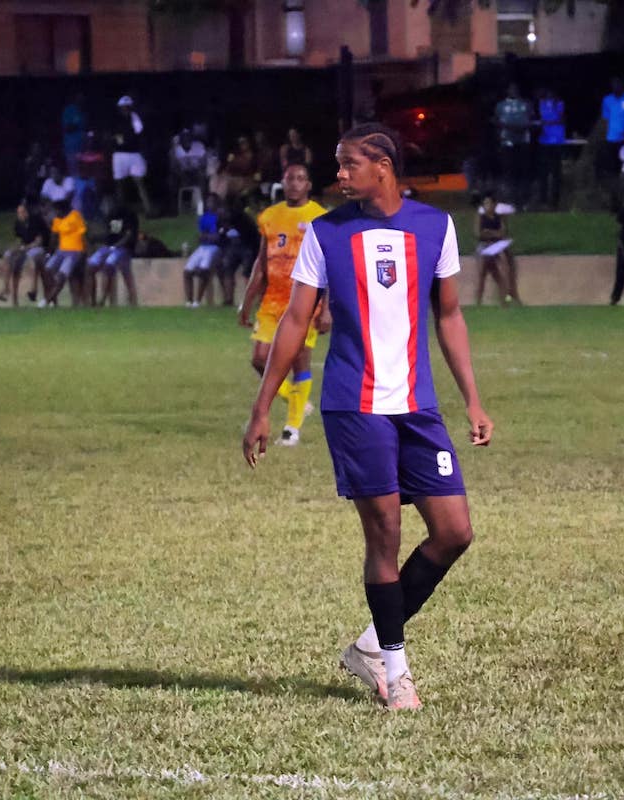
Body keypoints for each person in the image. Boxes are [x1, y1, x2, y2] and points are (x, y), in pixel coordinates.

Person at [242, 123, 494, 712]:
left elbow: (450, 317)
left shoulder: (436, 227)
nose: (339, 176)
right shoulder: (325, 234)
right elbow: (295, 322)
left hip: (417, 406)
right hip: (355, 406)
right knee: (385, 531)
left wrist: (473, 400)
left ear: (382, 165)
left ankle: (369, 647)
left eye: (348, 164)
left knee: (455, 531)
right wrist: (261, 407)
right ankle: (397, 673)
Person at [238, 163, 328, 446]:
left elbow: (329, 266)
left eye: (301, 179)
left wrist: (327, 308)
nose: (295, 184)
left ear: (309, 185)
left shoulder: (320, 218)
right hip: (273, 300)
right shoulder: (269, 216)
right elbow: (262, 263)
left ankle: (292, 428)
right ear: (283, 182)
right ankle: (295, 399)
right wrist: (246, 302)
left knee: (300, 359)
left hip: (306, 300)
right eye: (290, 179)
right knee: (259, 358)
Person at [0, 200, 48, 306]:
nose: (19, 215)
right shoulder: (18, 223)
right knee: (9, 256)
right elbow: (19, 239)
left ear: (26, 212)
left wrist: (25, 248)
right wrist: (15, 248)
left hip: (37, 247)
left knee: (32, 257)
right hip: (25, 247)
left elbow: (39, 241)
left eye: (21, 212)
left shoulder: (35, 221)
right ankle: (6, 288)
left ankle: (33, 289)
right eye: (18, 213)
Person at [88, 203, 140, 306]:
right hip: (109, 246)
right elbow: (110, 233)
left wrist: (114, 247)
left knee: (110, 264)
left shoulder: (130, 216)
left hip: (124, 248)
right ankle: (92, 301)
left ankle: (103, 299)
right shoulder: (111, 215)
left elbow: (128, 236)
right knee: (90, 265)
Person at [111, 96, 153, 217]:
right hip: (119, 155)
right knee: (120, 184)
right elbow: (115, 137)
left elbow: (138, 133)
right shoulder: (115, 120)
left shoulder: (135, 117)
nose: (125, 109)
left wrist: (126, 138)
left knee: (140, 182)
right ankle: (121, 213)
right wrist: (121, 139)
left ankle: (148, 210)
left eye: (128, 106)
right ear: (120, 108)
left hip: (134, 154)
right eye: (123, 107)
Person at [43, 198, 88, 307]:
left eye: (56, 210)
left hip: (75, 251)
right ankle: (54, 296)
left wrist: (84, 251)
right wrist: (49, 252)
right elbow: (54, 236)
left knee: (62, 275)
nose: (55, 213)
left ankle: (47, 300)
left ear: (62, 210)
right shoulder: (57, 220)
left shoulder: (75, 216)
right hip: (61, 251)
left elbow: (82, 235)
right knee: (48, 269)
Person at [493, 83, 532, 210]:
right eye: (511, 89)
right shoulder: (501, 105)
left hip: (522, 142)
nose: (513, 91)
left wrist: (521, 127)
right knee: (509, 171)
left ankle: (523, 201)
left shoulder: (525, 104)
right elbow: (496, 121)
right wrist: (506, 129)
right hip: (507, 142)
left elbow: (531, 120)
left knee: (523, 172)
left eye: (515, 89)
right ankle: (510, 201)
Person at [218, 197, 261, 307]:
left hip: (247, 246)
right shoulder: (222, 219)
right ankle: (228, 299)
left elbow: (252, 235)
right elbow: (222, 235)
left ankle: (251, 300)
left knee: (248, 273)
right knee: (227, 270)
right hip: (233, 246)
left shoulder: (242, 218)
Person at [183, 193, 223, 308]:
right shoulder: (204, 217)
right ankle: (189, 301)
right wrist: (208, 236)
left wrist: (208, 236)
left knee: (203, 271)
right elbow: (201, 236)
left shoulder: (220, 217)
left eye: (212, 202)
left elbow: (217, 237)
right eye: (208, 201)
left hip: (214, 248)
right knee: (187, 271)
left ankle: (197, 301)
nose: (210, 204)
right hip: (203, 247)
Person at [473, 194, 511, 306]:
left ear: (494, 205)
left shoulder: (499, 217)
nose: (487, 206)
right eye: (485, 204)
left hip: (496, 245)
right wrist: (493, 233)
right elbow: (478, 233)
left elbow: (503, 232)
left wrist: (489, 232)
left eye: (489, 203)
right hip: (484, 246)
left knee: (503, 272)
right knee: (482, 275)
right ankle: (478, 302)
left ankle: (504, 300)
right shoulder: (481, 217)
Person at [535, 88, 566, 210]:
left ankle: (555, 202)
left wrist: (548, 122)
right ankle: (543, 201)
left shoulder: (559, 104)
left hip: (557, 142)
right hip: (544, 141)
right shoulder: (541, 104)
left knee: (556, 173)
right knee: (544, 173)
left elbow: (562, 119)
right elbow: (539, 119)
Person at [170, 127, 207, 212]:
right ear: (181, 139)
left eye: (188, 137)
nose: (186, 140)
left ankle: (201, 207)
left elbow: (204, 163)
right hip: (182, 173)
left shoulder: (199, 146)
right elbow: (173, 166)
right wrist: (181, 174)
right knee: (171, 180)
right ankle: (174, 208)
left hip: (196, 171)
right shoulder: (176, 149)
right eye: (184, 137)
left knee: (202, 177)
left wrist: (199, 169)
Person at [61, 93, 87, 175]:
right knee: (73, 173)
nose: (81, 99)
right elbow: (66, 127)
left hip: (82, 147)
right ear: (75, 98)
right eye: (80, 97)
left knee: (82, 172)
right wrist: (76, 125)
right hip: (71, 148)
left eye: (83, 98)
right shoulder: (69, 110)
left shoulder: (83, 112)